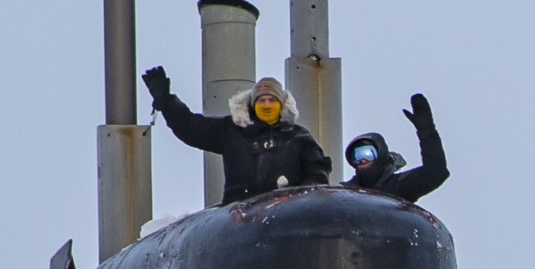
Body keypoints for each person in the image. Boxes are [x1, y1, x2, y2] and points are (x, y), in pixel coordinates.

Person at [141, 68, 331, 204]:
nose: (266, 104)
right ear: (253, 103)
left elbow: (316, 174)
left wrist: (298, 200)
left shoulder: (298, 137)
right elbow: (191, 127)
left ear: (281, 104)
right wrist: (167, 103)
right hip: (239, 213)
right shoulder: (231, 130)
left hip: (284, 212)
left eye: (272, 100)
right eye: (262, 100)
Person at [342, 93, 448, 202]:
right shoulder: (346, 195)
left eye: (369, 154)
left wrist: (427, 131)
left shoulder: (399, 187)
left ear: (380, 155)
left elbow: (435, 172)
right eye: (357, 155)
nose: (363, 160)